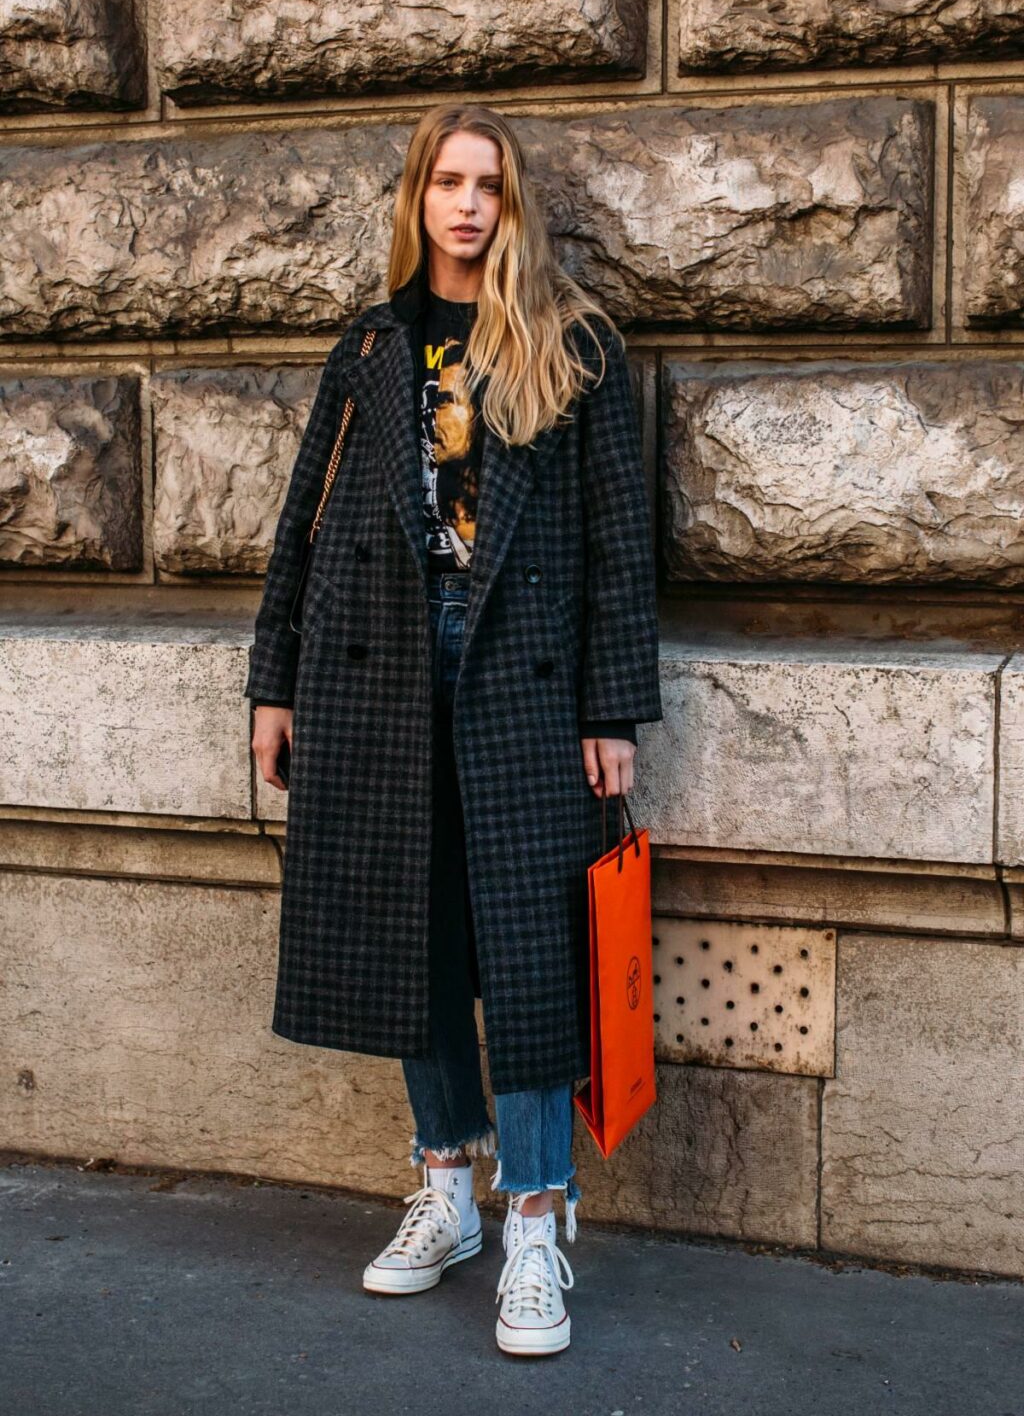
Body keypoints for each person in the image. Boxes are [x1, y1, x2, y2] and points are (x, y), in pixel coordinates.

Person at [247, 103, 662, 1356]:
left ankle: (534, 1218)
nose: (467, 205)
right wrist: (274, 684)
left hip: (518, 676)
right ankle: (446, 1185)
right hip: (375, 671)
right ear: (418, 199)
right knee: (408, 931)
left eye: (487, 184)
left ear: (511, 203)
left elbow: (618, 543)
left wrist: (610, 707)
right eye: (447, 181)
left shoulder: (573, 347)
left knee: (529, 954)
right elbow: (300, 525)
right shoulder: (371, 346)